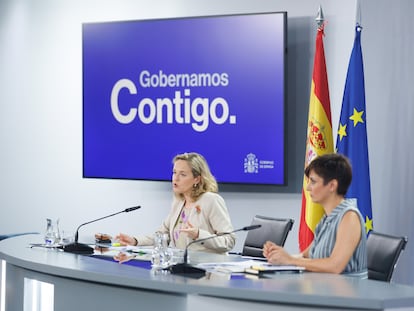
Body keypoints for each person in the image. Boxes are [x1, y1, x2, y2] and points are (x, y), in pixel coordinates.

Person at [263, 153, 367, 277]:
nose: (308, 188)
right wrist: (279, 256)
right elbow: (306, 255)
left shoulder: (349, 217)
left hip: (346, 292)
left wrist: (291, 260)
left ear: (332, 185)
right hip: (323, 288)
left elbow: (335, 266)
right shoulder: (328, 218)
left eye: (313, 182)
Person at [114, 152, 236, 258]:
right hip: (183, 269)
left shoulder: (211, 200)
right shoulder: (179, 202)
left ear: (197, 179)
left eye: (182, 174)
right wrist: (135, 241)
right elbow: (163, 235)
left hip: (209, 273)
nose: (175, 178)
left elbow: (228, 241)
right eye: (174, 172)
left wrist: (199, 234)